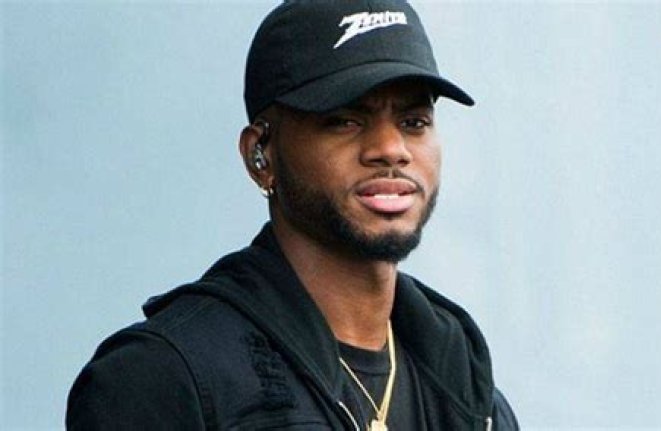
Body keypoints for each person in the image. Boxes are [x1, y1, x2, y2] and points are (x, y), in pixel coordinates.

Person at [66, 1, 519, 430]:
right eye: (344, 120)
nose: (390, 149)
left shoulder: (468, 391)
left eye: (414, 122)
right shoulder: (162, 376)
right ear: (260, 154)